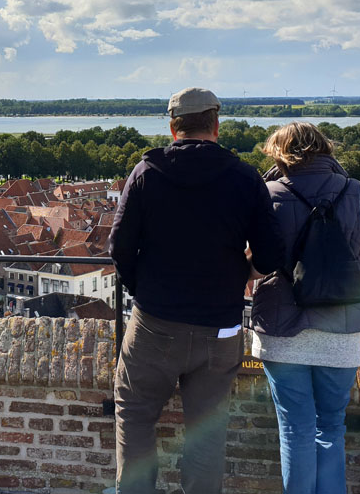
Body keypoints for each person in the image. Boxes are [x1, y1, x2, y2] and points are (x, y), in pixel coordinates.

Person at [109, 87, 286, 494]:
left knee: (134, 415)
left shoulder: (147, 173)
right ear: (216, 126)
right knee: (207, 433)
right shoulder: (245, 177)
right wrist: (244, 272)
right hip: (220, 328)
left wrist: (143, 292)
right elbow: (272, 254)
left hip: (154, 324)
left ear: (173, 128)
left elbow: (119, 247)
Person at [250, 122, 360, 494]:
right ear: (325, 149)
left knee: (296, 430)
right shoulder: (352, 191)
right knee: (331, 428)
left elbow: (256, 263)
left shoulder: (268, 193)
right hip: (340, 326)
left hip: (282, 330)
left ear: (278, 154)